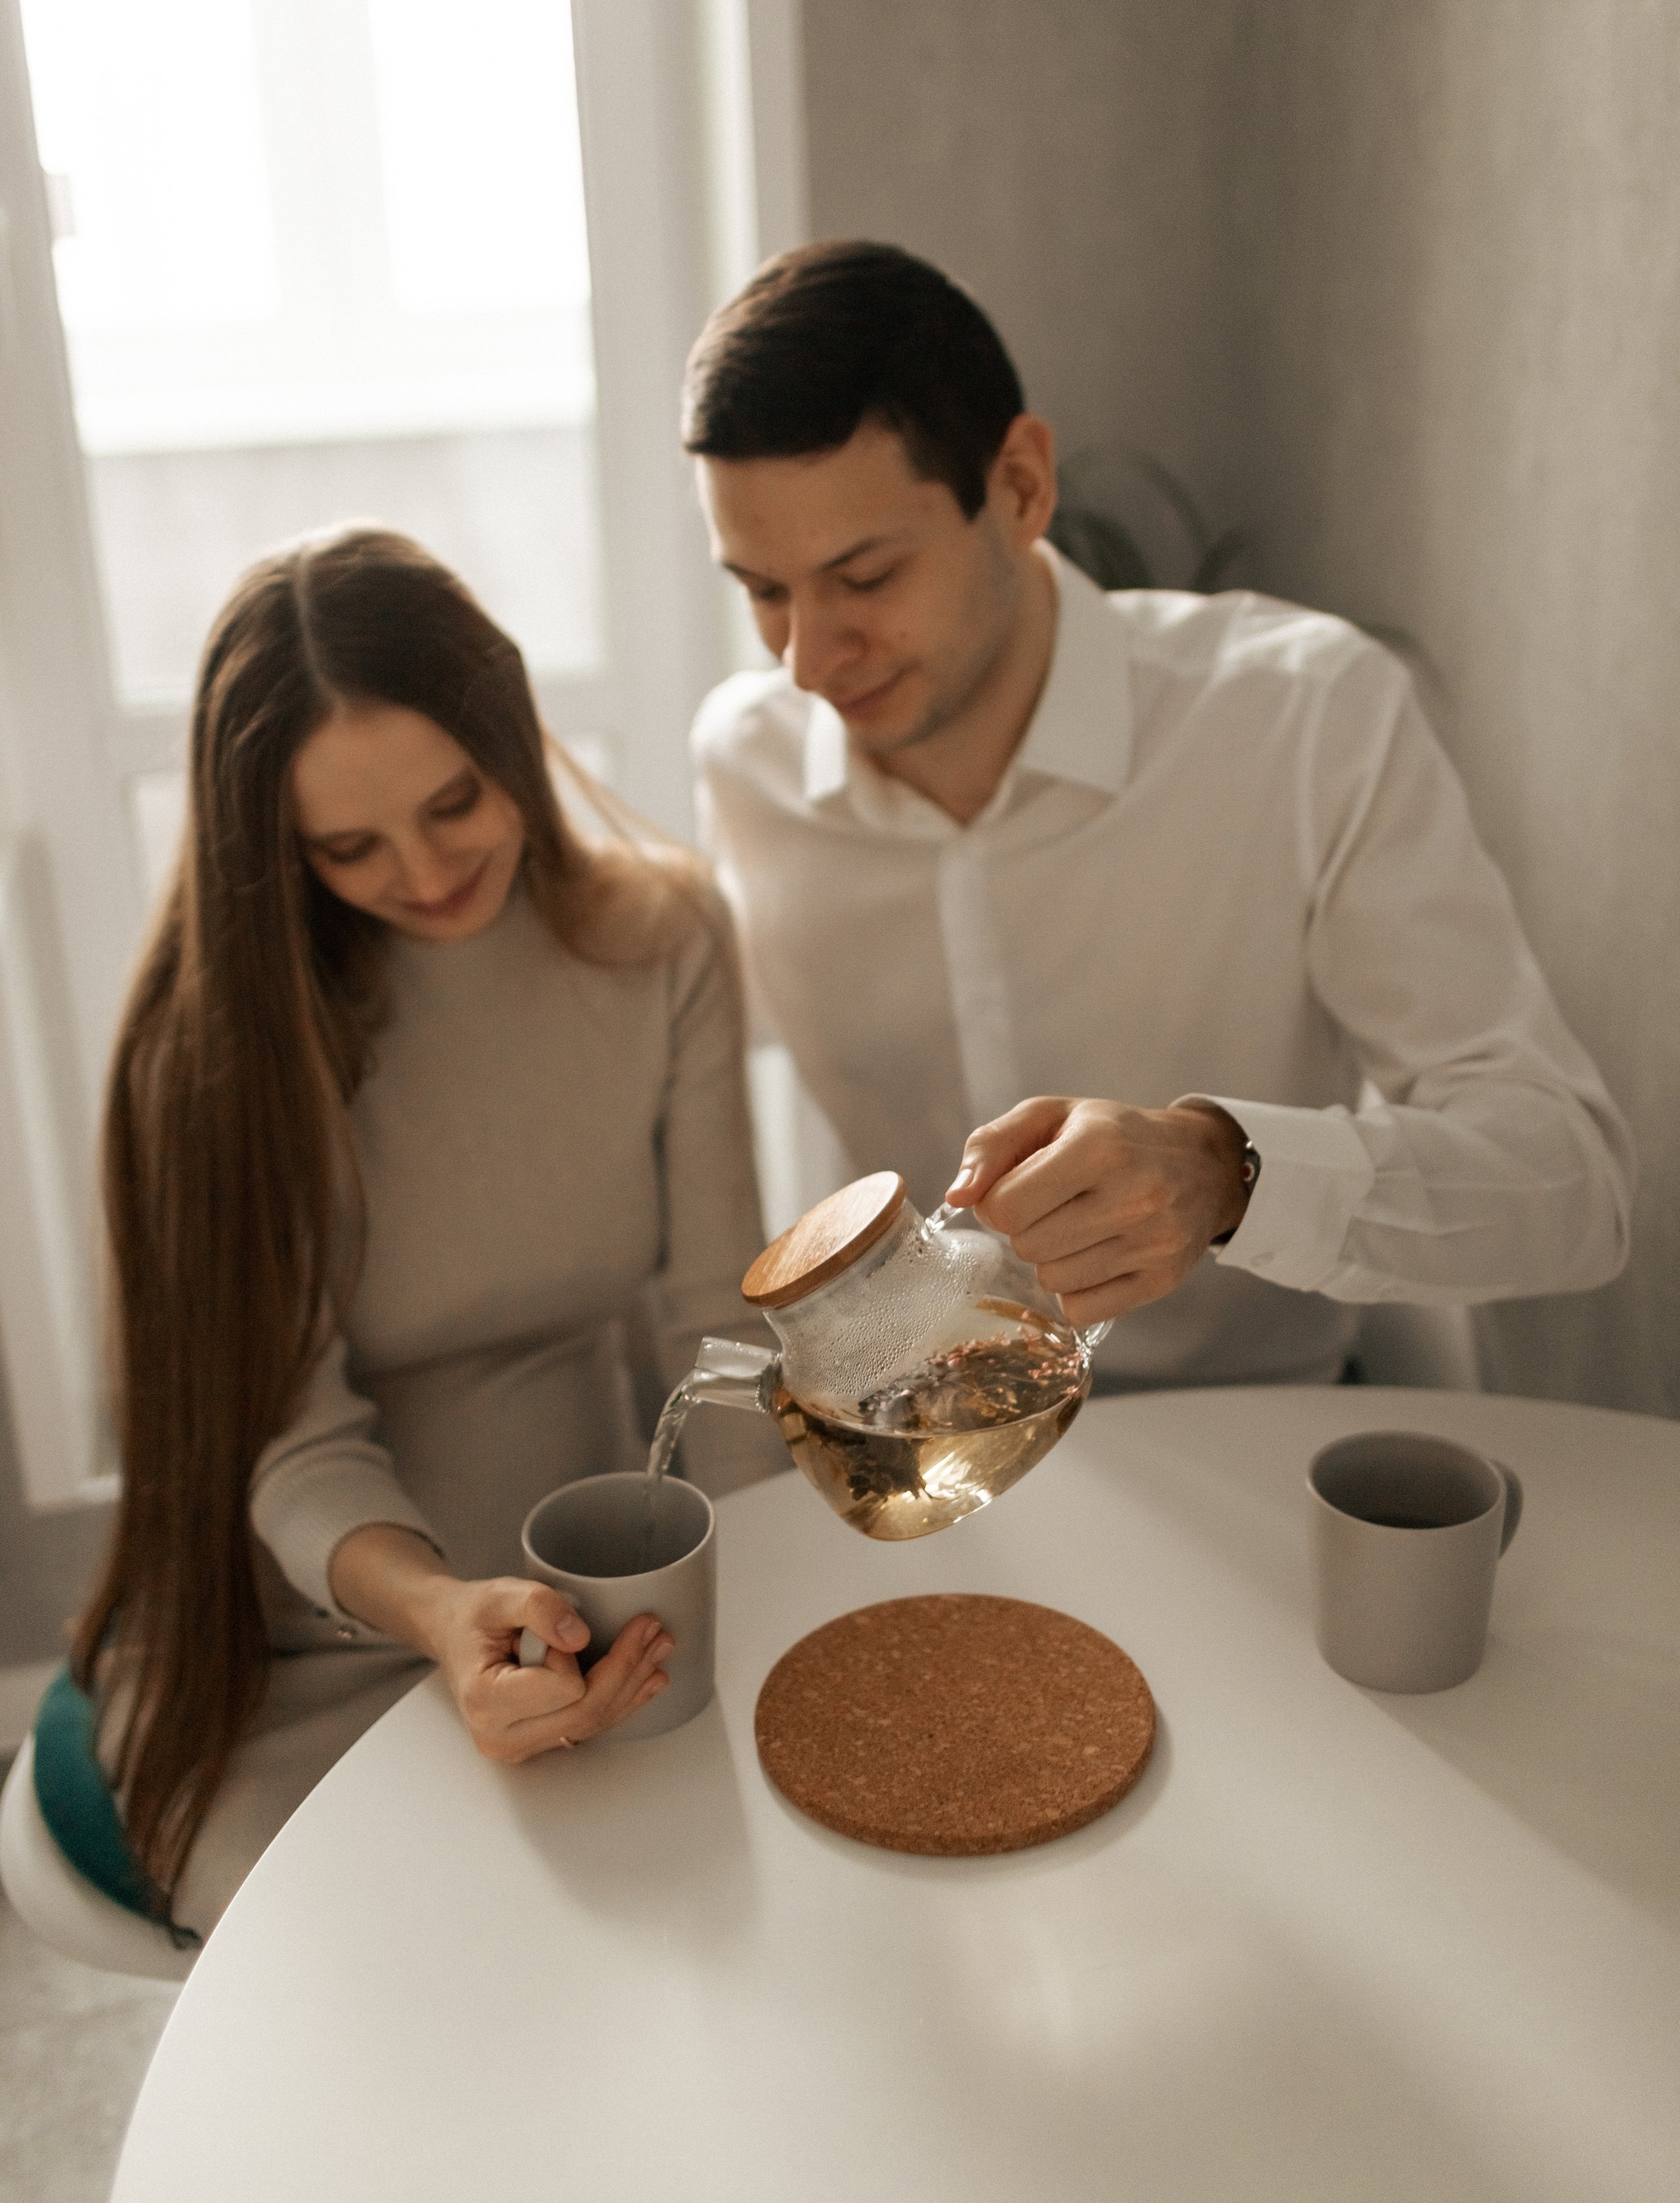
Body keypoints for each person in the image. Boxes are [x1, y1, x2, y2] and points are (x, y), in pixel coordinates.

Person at [683, 241, 1634, 1387]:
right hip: (933, 1449)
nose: (807, 660)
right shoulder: (745, 762)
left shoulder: (1305, 717)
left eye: (867, 578)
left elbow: (1573, 1188)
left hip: (1254, 1431)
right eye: (764, 592)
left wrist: (1227, 1171)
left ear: (1022, 486)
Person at [58, 529, 778, 1945]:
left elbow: (723, 1327)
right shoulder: (213, 1056)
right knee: (430, 1971)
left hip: (605, 1576)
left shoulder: (666, 938)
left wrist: (758, 1582)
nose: (429, 870)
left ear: (513, 738)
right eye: (349, 847)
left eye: (456, 802)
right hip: (317, 1632)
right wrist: (446, 1615)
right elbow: (293, 1449)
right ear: (276, 849)